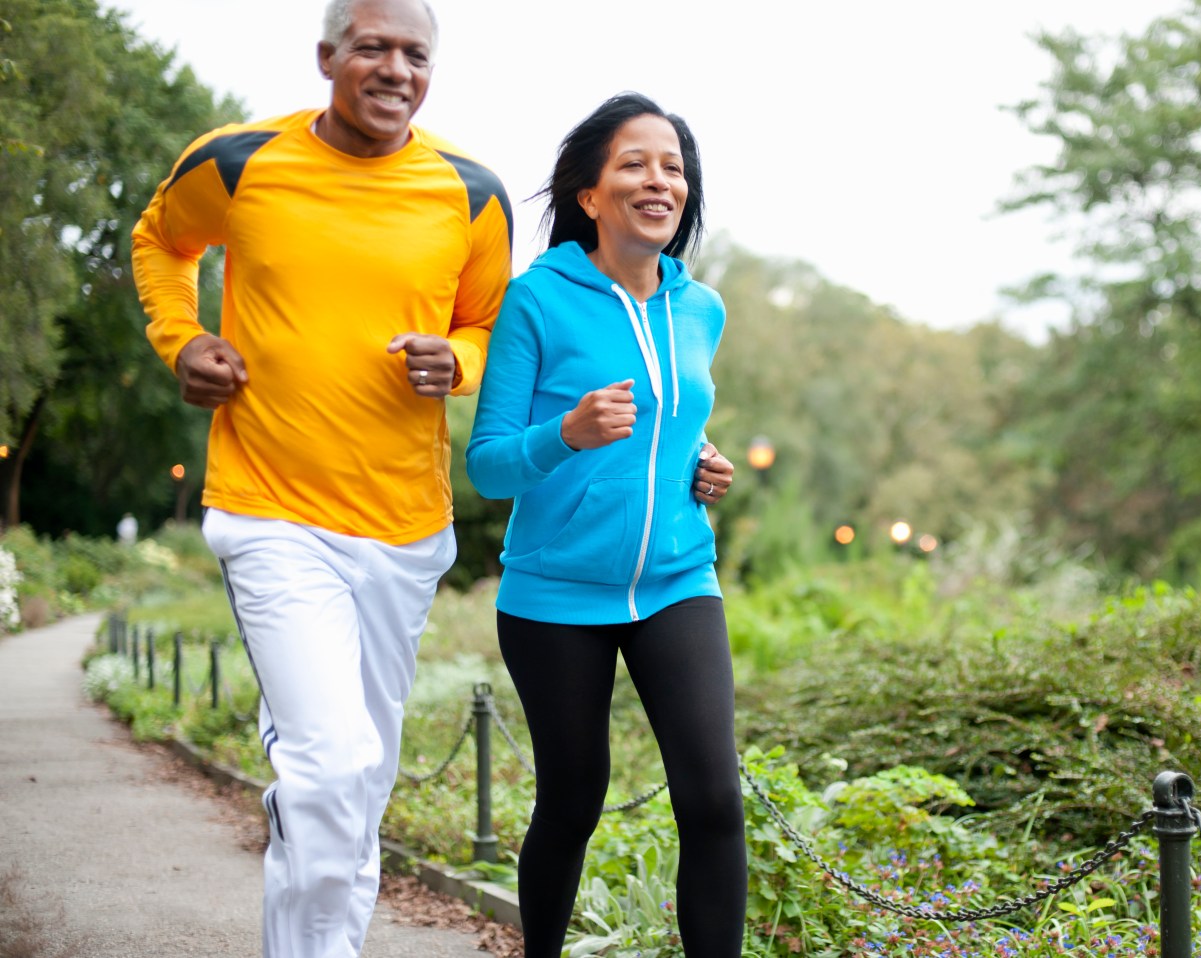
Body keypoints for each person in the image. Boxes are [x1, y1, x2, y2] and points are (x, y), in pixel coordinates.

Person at [129, 0, 512, 954]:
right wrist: (182, 339)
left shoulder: (471, 193)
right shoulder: (238, 160)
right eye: (372, 48)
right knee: (330, 766)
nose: (395, 69)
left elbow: (492, 328)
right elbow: (159, 242)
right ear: (326, 57)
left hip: (404, 528)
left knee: (359, 783)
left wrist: (456, 363)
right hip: (270, 511)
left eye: (415, 54)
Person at [465, 92, 745, 957]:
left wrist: (704, 462)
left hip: (676, 579)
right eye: (636, 162)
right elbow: (486, 463)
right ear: (589, 194)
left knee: (712, 798)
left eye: (674, 167)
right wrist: (566, 435)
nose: (660, 180)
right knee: (576, 795)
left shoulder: (700, 309)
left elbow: (674, 415)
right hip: (555, 592)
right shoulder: (537, 301)